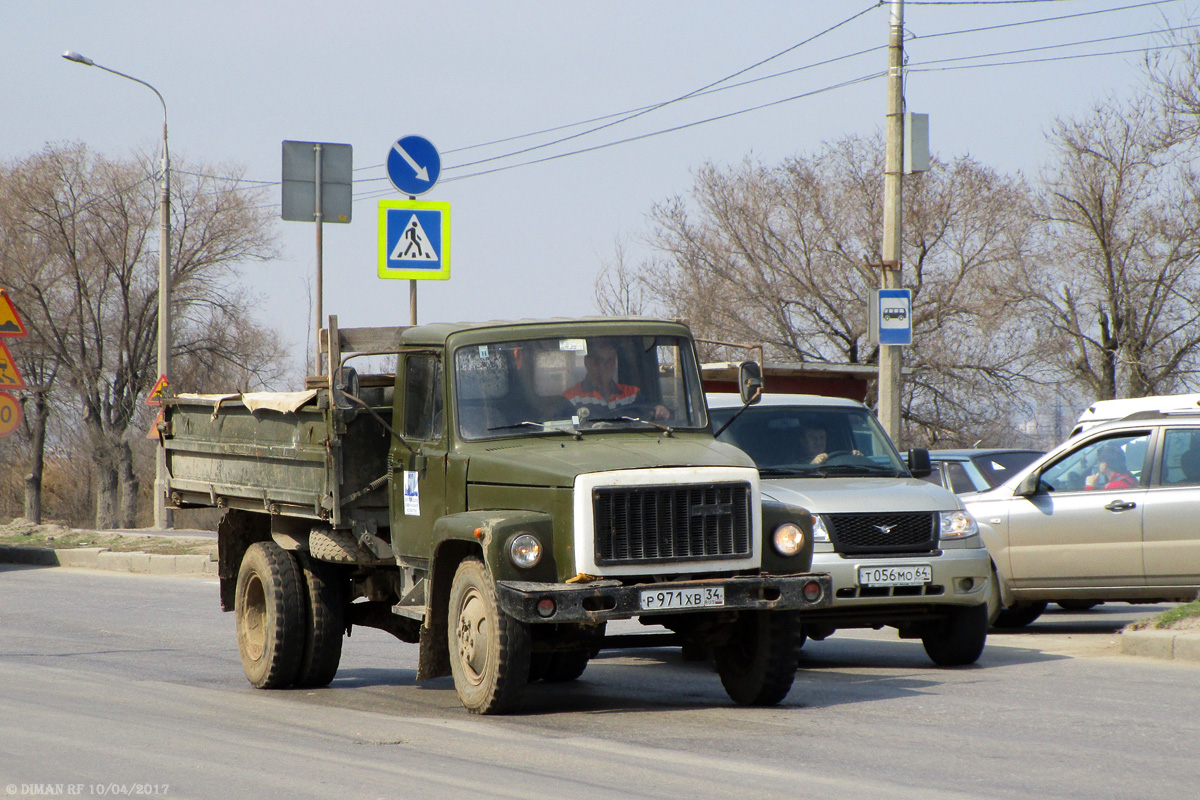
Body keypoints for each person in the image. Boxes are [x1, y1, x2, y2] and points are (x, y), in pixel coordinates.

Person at [562, 340, 669, 420]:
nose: (605, 366)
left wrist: (660, 410)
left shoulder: (632, 394)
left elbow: (648, 411)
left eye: (610, 360)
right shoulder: (571, 398)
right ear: (587, 362)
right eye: (599, 360)